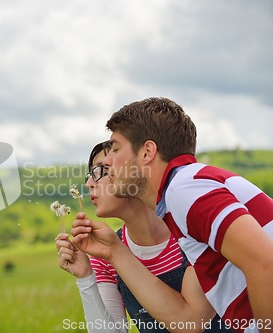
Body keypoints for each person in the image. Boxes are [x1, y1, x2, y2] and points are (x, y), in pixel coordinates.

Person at [71, 97, 273, 333]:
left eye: (115, 149)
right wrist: (110, 255)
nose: (107, 161)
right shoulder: (181, 197)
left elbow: (265, 262)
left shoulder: (182, 188)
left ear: (147, 152)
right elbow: (190, 320)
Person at [56, 141, 229, 333]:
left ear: (133, 172)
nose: (89, 184)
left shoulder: (191, 232)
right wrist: (85, 277)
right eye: (90, 174)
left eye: (102, 170)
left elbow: (190, 322)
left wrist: (116, 252)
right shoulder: (105, 254)